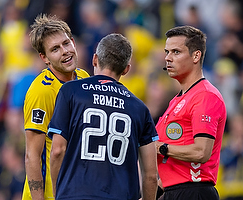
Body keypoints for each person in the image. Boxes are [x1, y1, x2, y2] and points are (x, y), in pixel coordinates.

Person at [47, 33, 158, 200]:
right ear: (126, 69)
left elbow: (57, 150)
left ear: (94, 59)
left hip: (75, 194)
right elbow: (150, 175)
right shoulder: (140, 108)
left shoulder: (71, 92)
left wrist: (58, 192)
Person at [22, 14, 90, 200]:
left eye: (66, 44)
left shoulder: (84, 78)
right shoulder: (41, 91)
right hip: (49, 194)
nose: (65, 51)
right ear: (44, 58)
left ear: (74, 42)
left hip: (75, 190)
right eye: (55, 49)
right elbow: (32, 155)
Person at [155, 25, 227, 200]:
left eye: (176, 52)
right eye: (167, 52)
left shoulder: (205, 96)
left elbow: (201, 152)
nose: (167, 58)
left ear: (196, 55)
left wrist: (161, 148)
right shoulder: (177, 100)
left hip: (194, 191)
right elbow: (172, 167)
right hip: (172, 191)